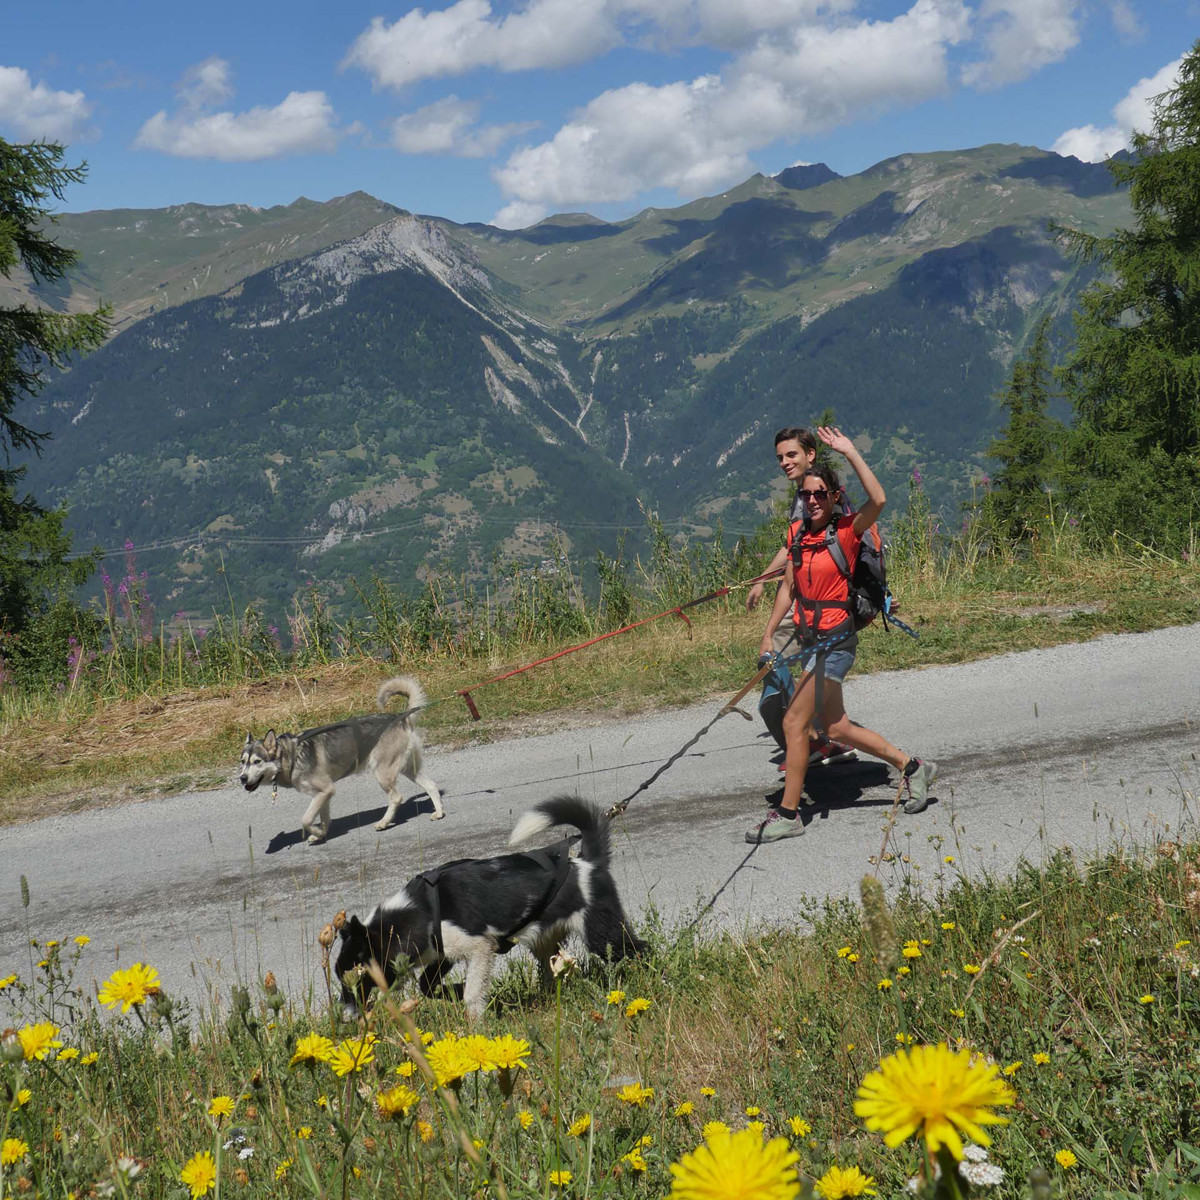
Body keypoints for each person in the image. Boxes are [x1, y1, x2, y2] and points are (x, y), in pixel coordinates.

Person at [747, 426, 937, 843]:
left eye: (820, 495)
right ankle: (913, 767)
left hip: (835, 643)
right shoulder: (797, 535)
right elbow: (790, 586)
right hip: (810, 640)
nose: (811, 500)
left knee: (796, 722)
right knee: (836, 728)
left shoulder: (847, 532)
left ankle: (788, 814)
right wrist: (767, 634)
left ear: (834, 498)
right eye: (806, 495)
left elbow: (880, 500)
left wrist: (851, 450)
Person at [748, 427, 856, 767]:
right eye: (780, 457)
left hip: (821, 603)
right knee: (812, 675)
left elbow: (850, 545)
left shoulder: (818, 495)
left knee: (771, 657)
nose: (784, 462)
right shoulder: (807, 494)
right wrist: (763, 578)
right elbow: (794, 544)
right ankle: (822, 735)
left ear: (810, 454)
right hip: (811, 601)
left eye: (791, 454)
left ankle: (807, 739)